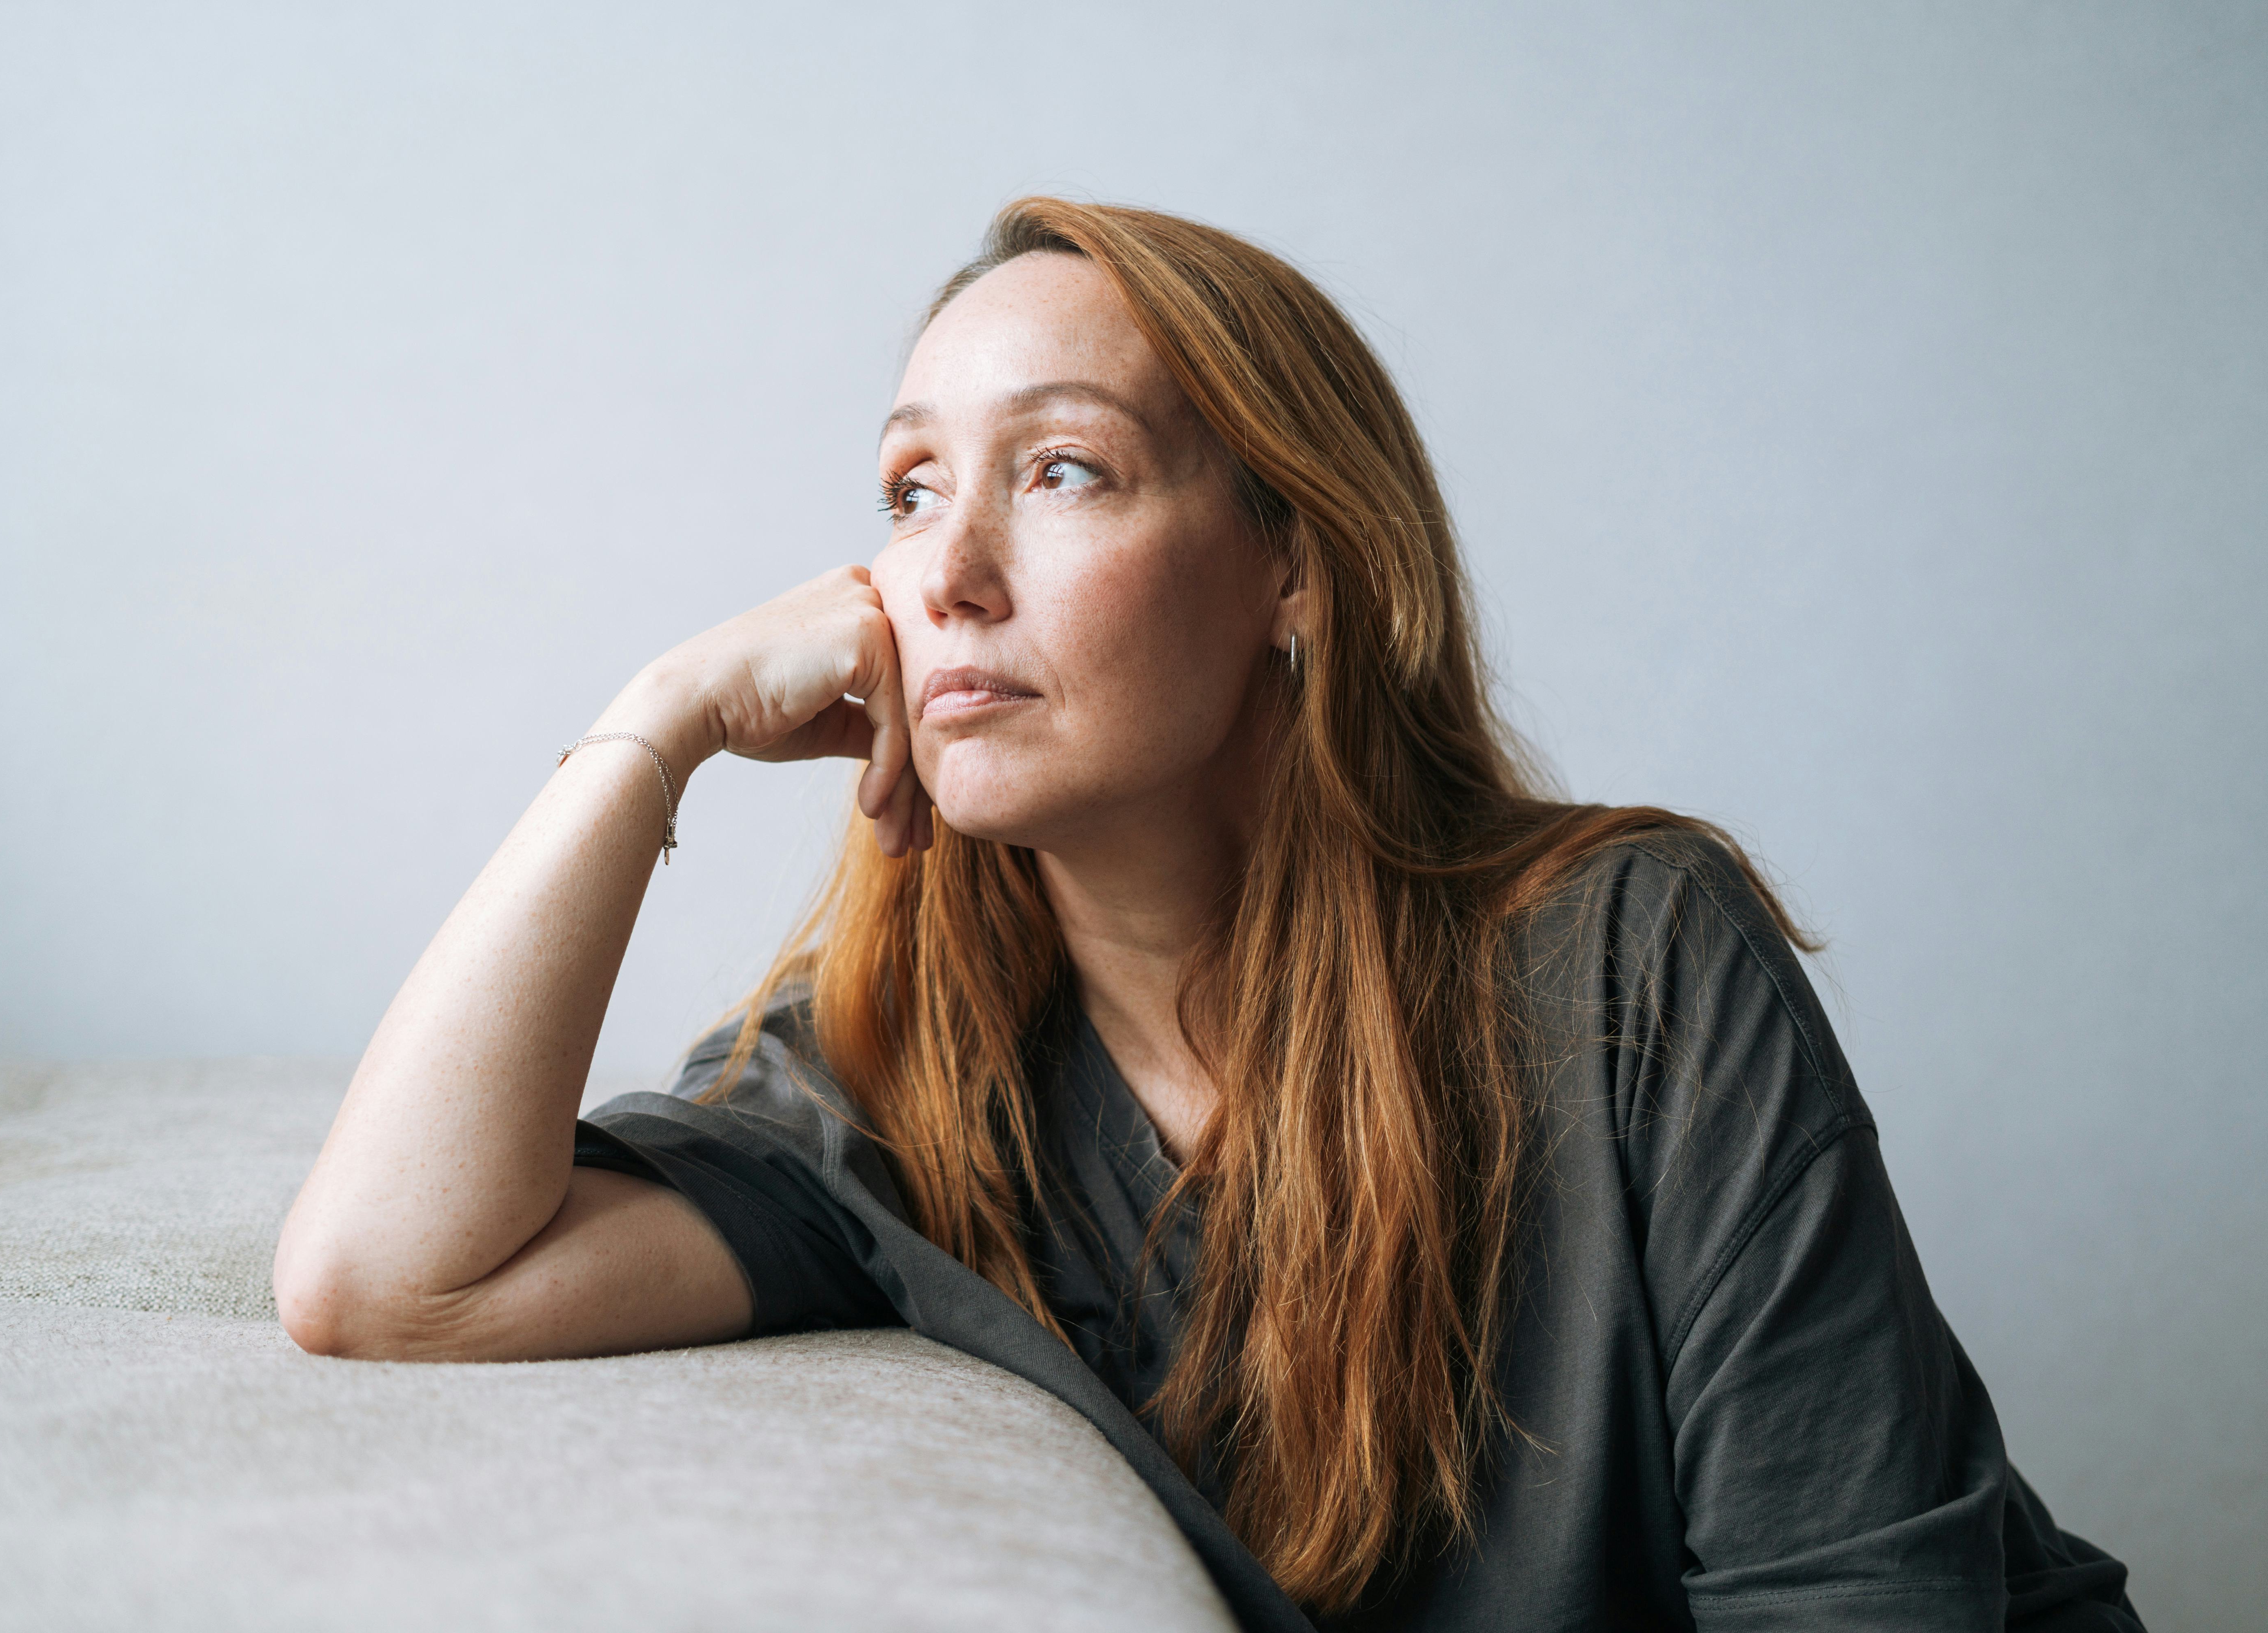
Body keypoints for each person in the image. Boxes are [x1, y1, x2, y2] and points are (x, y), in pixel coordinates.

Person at [273, 199, 2142, 1632]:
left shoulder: (1633, 958)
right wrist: (657, 725)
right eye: (910, 492)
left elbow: (1859, 1597)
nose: (952, 571)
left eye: (1064, 468)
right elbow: (388, 1277)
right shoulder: (889, 1081)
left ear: (1296, 568)